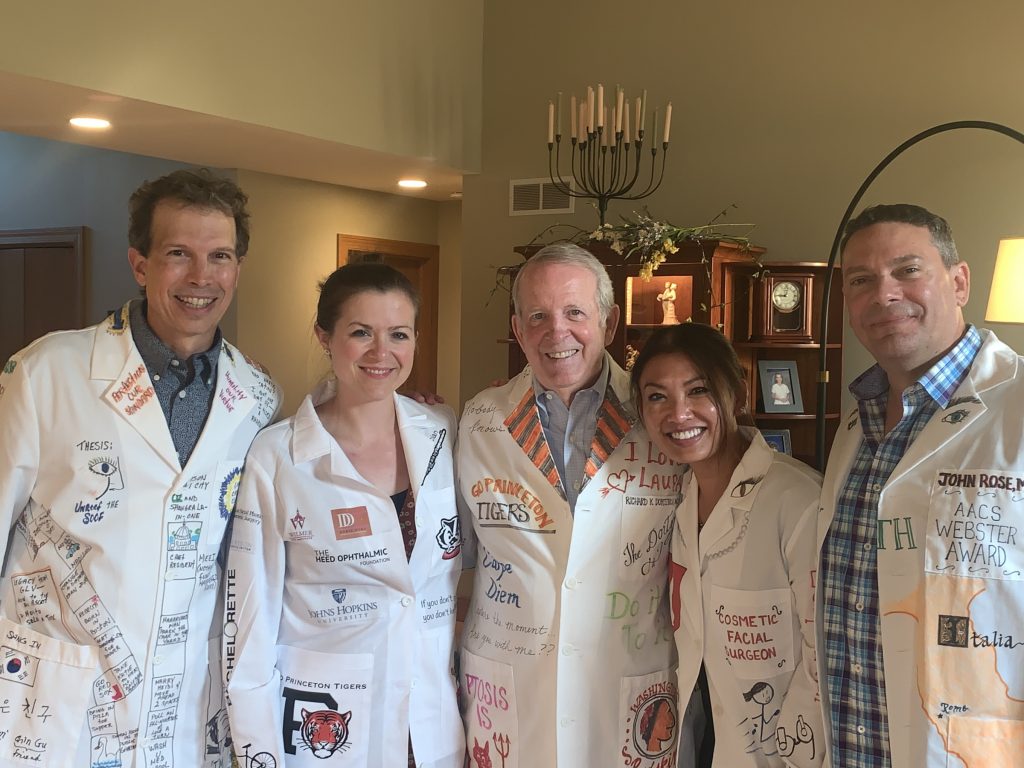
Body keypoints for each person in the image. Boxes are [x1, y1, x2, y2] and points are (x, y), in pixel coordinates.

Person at [0, 168, 281, 767]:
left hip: (184, 707)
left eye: (220, 256)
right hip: (53, 704)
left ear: (238, 268)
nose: (202, 277)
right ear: (139, 264)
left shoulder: (257, 398)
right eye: (178, 253)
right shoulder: (48, 372)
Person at [224, 263, 464, 768]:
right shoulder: (277, 456)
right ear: (324, 337)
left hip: (429, 730)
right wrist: (258, 753)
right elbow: (249, 623)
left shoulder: (443, 431)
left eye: (398, 334)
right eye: (361, 333)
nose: (382, 354)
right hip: (325, 731)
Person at [457, 243, 686, 767]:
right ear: (517, 329)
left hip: (631, 686)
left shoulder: (661, 418)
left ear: (609, 322)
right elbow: (454, 561)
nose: (556, 332)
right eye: (537, 316)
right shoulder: (478, 420)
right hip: (511, 691)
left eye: (575, 313)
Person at [818, 203, 1024, 767]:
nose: (884, 295)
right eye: (861, 280)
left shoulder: (1017, 403)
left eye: (908, 270)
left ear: (959, 282)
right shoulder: (856, 424)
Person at [632, 323, 824, 768]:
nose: (679, 414)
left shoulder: (796, 501)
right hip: (700, 740)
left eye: (698, 391)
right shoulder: (677, 501)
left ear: (736, 394)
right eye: (657, 396)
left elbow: (825, 656)